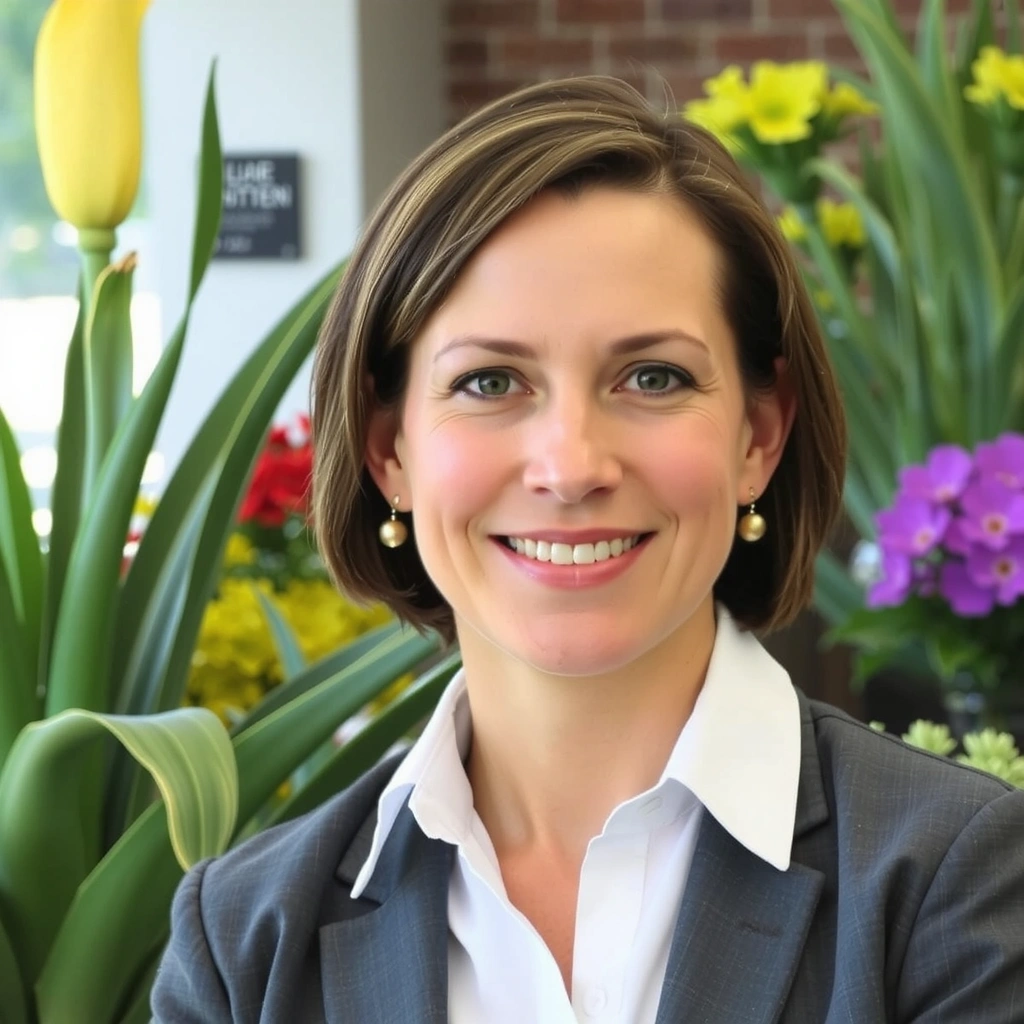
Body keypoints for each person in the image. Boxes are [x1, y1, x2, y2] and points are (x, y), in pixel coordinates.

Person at [151, 76, 1024, 1022]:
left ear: (759, 437)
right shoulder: (242, 945)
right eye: (490, 381)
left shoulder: (959, 880)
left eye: (652, 376)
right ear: (387, 449)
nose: (570, 465)